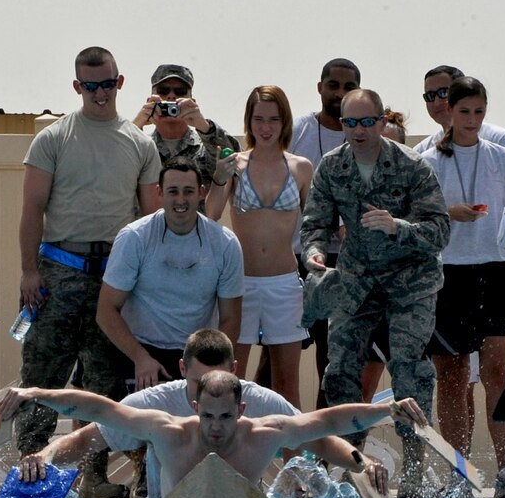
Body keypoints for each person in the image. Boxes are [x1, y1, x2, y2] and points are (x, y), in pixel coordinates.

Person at [17, 329, 384, 498]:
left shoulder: (262, 410)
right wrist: (45, 458)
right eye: (199, 391)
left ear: (238, 392)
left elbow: (320, 431)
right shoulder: (161, 415)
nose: (211, 407)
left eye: (225, 407)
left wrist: (363, 463)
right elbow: (93, 424)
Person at [15, 46, 163, 485]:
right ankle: (30, 470)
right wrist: (29, 271)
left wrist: (143, 282)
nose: (99, 93)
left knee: (105, 385)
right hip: (58, 271)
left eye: (107, 84)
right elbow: (32, 209)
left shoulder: (139, 143)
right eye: (90, 85)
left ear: (120, 83)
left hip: (114, 276)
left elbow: (150, 219)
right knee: (43, 376)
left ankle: (94, 476)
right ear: (78, 87)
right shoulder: (53, 138)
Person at [299, 88, 451, 484]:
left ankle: (416, 470)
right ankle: (350, 466)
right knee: (341, 371)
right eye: (350, 122)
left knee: (409, 372)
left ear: (383, 122)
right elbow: (314, 224)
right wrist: (315, 253)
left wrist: (396, 226)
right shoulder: (332, 167)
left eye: (368, 122)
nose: (359, 130)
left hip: (409, 282)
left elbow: (440, 231)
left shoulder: (411, 166)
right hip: (358, 280)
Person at [0, 371, 426, 498]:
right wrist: (36, 393)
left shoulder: (264, 432)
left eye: (226, 417)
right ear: (196, 409)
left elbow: (329, 422)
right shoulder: (167, 431)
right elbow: (95, 407)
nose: (217, 428)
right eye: (209, 417)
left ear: (241, 411)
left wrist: (386, 412)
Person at [417, 76, 505, 498]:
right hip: (450, 273)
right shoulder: (429, 160)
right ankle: (458, 472)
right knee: (451, 377)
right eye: (464, 112)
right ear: (449, 111)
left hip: (497, 269)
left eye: (479, 112)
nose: (472, 120)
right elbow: (419, 218)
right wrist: (450, 214)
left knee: (500, 372)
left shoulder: (502, 156)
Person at [99, 164, 244, 391]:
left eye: (188, 191)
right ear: (159, 193)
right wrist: (140, 358)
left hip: (197, 353)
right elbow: (106, 311)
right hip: (140, 350)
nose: (180, 200)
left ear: (201, 193)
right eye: (173, 191)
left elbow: (231, 318)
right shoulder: (134, 237)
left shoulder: (225, 243)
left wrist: (212, 366)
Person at [225, 85, 313, 408]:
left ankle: (295, 458)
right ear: (248, 122)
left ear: (284, 122)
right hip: (240, 284)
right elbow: (208, 214)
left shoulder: (300, 167)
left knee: (287, 384)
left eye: (273, 119)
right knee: (230, 380)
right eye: (258, 119)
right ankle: (232, 458)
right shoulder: (234, 165)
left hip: (284, 283)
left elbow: (316, 224)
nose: (265, 127)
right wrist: (221, 180)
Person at [290, 58, 362, 402]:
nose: (339, 93)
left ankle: (322, 450)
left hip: (348, 262)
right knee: (280, 351)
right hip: (299, 259)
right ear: (320, 87)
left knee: (331, 359)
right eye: (333, 85)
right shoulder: (297, 130)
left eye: (349, 87)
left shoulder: (364, 133)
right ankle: (270, 446)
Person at [132, 64, 238, 216]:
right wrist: (136, 125)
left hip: (196, 235)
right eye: (163, 91)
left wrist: (204, 126)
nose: (171, 97)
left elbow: (234, 158)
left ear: (192, 102)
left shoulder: (206, 148)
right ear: (150, 100)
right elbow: (112, 166)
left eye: (180, 92)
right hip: (149, 236)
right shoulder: (141, 147)